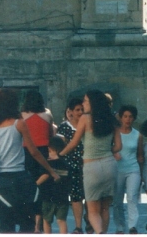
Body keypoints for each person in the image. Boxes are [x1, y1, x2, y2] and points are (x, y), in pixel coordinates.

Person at [0, 87, 59, 234]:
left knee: (5, 223)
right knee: (26, 222)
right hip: (20, 177)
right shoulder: (19, 123)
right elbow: (33, 151)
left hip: (1, 178)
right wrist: (51, 171)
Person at [59, 89, 122, 235]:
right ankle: (103, 232)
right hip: (109, 165)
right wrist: (106, 150)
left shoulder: (85, 119)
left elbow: (74, 143)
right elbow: (119, 146)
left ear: (93, 102)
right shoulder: (112, 120)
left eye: (86, 100)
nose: (83, 103)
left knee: (93, 210)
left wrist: (60, 154)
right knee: (105, 208)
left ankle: (99, 232)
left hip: (91, 166)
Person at [21, 89, 54, 235]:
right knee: (43, 188)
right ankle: (40, 223)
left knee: (28, 187)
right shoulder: (47, 114)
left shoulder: (22, 116)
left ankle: (29, 219)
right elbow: (51, 134)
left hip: (27, 152)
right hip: (43, 152)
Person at [56, 98, 85, 235]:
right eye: (77, 110)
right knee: (75, 196)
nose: (80, 112)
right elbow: (60, 146)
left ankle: (89, 221)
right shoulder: (64, 127)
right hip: (69, 166)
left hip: (85, 165)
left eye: (82, 109)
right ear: (71, 112)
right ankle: (78, 226)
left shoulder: (87, 125)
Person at [112, 105, 141, 235]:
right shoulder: (115, 132)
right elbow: (107, 148)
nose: (128, 119)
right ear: (120, 117)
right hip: (117, 169)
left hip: (133, 169)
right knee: (118, 199)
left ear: (134, 118)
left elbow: (140, 155)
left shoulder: (137, 135)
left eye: (130, 117)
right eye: (125, 116)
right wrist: (113, 154)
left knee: (132, 197)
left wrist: (143, 173)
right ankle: (119, 226)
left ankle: (132, 225)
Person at [37, 135, 71, 235]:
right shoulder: (66, 164)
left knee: (47, 221)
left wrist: (36, 184)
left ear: (50, 149)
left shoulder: (48, 164)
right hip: (63, 197)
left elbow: (45, 175)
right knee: (61, 220)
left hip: (48, 197)